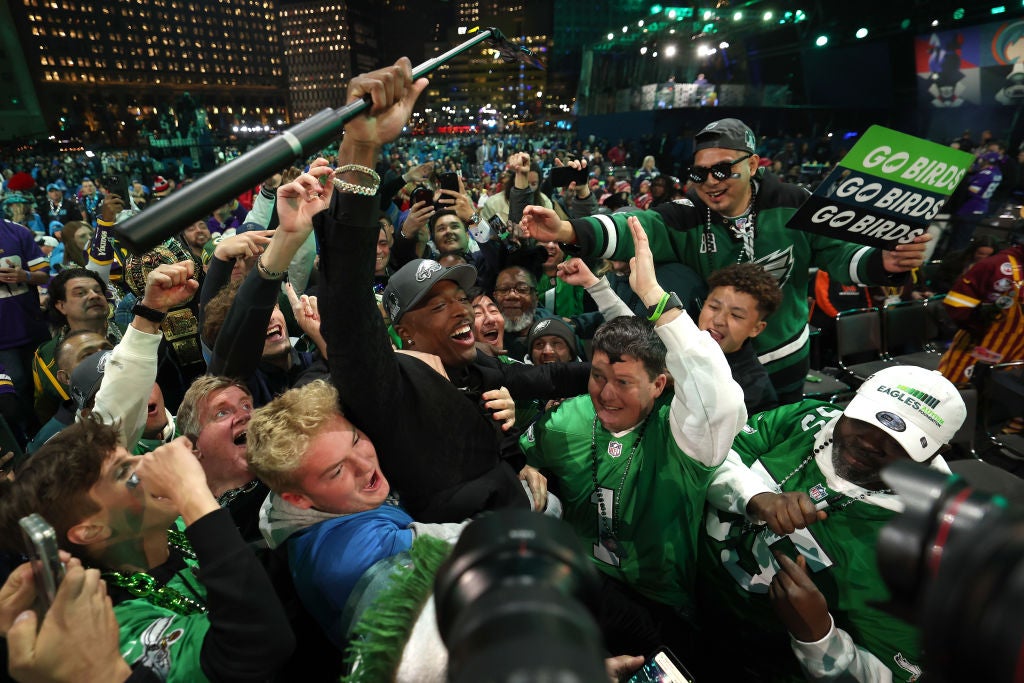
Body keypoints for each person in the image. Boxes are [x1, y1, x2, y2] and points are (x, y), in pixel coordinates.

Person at [521, 118, 930, 404]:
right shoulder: (687, 214)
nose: (710, 182)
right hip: (714, 364)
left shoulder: (792, 201)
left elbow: (838, 256)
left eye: (722, 169)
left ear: (753, 164)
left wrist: (883, 263)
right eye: (700, 173)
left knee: (773, 447)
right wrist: (568, 231)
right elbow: (637, 227)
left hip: (785, 357)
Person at [520, 215, 747, 658]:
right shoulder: (568, 419)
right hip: (578, 590)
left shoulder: (680, 434)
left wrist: (655, 300)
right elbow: (523, 452)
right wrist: (525, 464)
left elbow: (717, 398)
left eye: (623, 383)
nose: (605, 394)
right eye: (597, 376)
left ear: (659, 385)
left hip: (661, 606)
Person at [696, 366, 967, 682]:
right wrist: (754, 495)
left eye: (898, 441)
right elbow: (706, 458)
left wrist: (818, 636)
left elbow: (893, 674)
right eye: (865, 420)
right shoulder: (806, 420)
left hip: (757, 666)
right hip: (682, 597)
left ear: (937, 451)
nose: (869, 443)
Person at [1, 421, 295, 682]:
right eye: (124, 472)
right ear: (91, 530)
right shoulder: (114, 625)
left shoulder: (175, 526)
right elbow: (261, 644)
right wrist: (189, 490)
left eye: (134, 456)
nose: (147, 464)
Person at [31, 267, 122, 423]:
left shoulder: (133, 335)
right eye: (80, 293)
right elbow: (46, 413)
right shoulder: (46, 357)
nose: (94, 296)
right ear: (61, 306)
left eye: (98, 291)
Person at [938, 223, 1024, 385]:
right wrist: (981, 327)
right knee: (951, 394)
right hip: (975, 350)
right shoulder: (994, 265)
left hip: (1014, 358)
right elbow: (956, 306)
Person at [0, 215, 50, 441]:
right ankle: (28, 443)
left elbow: (44, 275)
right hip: (3, 341)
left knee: (46, 387)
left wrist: (24, 275)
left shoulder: (17, 232)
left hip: (32, 328)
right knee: (15, 394)